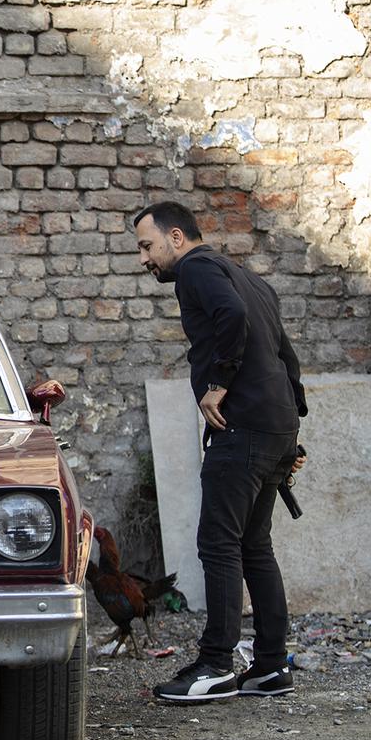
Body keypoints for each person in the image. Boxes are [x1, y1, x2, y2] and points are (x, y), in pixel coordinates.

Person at [132, 200, 307, 702]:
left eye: (148, 246)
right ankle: (271, 666)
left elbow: (230, 319)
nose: (145, 259)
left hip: (243, 428)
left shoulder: (197, 269)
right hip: (274, 428)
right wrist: (293, 423)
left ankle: (214, 666)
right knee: (255, 546)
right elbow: (283, 351)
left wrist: (218, 382)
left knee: (219, 544)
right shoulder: (252, 279)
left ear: (177, 238)